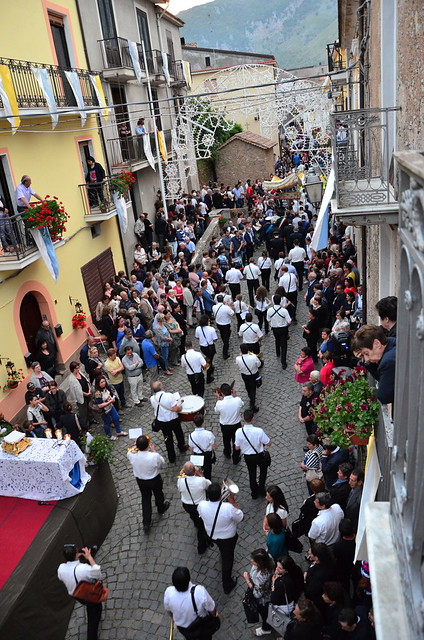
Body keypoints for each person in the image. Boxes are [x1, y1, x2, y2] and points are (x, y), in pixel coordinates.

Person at [198, 482, 243, 594]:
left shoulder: (201, 505)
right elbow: (241, 517)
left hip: (212, 535)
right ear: (220, 495)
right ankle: (227, 584)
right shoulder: (229, 508)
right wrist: (233, 502)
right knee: (227, 560)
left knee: (222, 550)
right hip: (228, 538)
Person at [57, 545, 103, 640]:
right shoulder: (83, 568)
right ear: (77, 555)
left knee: (92, 608)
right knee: (93, 614)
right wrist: (89, 557)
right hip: (88, 594)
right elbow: (98, 574)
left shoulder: (61, 568)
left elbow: (61, 577)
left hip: (76, 594)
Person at [164, 567, 218, 640]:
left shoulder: (168, 592)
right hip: (201, 626)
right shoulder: (199, 592)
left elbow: (169, 611)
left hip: (184, 629)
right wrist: (216, 617)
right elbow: (212, 610)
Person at [352, 324, 396, 404]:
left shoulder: (388, 362)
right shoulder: (392, 342)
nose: (367, 359)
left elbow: (383, 396)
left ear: (377, 344)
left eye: (366, 353)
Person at [235, 409, 271, 498]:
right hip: (259, 455)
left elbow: (237, 447)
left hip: (248, 456)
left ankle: (254, 493)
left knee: (252, 473)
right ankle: (262, 489)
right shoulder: (258, 431)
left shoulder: (239, 432)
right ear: (253, 419)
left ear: (243, 418)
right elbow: (269, 443)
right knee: (263, 471)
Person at [177, 461, 211, 553]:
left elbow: (179, 489)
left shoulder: (180, 480)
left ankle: (196, 522)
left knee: (193, 516)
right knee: (201, 528)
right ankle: (201, 546)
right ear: (194, 471)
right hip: (199, 506)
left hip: (187, 505)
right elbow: (209, 485)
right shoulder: (201, 480)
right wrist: (200, 473)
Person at [150, 381, 188, 463]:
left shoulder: (152, 398)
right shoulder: (169, 396)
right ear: (161, 388)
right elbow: (175, 409)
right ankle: (181, 447)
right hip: (173, 420)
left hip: (162, 422)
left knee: (167, 439)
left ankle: (171, 457)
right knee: (179, 434)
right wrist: (180, 406)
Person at [242, 548, 274, 636]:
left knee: (265, 615)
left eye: (254, 560)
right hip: (269, 590)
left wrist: (248, 581)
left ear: (260, 563)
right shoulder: (269, 558)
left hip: (264, 599)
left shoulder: (261, 576)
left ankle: (266, 628)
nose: (251, 560)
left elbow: (257, 594)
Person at [214, 383, 244, 464]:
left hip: (225, 426)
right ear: (231, 391)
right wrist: (235, 395)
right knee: (236, 441)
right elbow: (242, 404)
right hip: (236, 425)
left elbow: (216, 410)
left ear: (222, 393)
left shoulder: (220, 403)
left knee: (226, 440)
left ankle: (227, 452)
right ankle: (236, 458)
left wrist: (218, 398)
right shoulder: (237, 400)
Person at [304, 543, 337, 613]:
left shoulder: (319, 574)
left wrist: (304, 579)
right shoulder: (329, 559)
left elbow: (311, 590)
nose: (309, 553)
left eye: (311, 554)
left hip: (318, 598)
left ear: (316, 557)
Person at [93, 376, 127, 440]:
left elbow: (109, 395)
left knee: (116, 417)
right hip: (105, 410)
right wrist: (109, 402)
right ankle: (109, 436)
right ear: (98, 384)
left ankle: (118, 432)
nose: (103, 383)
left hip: (110, 406)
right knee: (107, 422)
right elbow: (100, 405)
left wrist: (112, 399)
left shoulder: (106, 388)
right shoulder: (98, 393)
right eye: (101, 382)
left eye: (104, 381)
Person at [188, 413, 216, 481]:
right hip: (207, 454)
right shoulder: (209, 433)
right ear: (203, 422)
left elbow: (191, 448)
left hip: (197, 454)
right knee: (208, 469)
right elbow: (214, 447)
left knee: (197, 469)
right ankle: (208, 481)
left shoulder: (191, 435)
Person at [267, 294, 291, 369]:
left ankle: (278, 352)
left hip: (274, 328)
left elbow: (268, 320)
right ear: (280, 301)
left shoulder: (269, 310)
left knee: (277, 340)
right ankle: (283, 362)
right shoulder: (284, 310)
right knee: (284, 345)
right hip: (283, 329)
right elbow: (289, 321)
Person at [236, 343, 261, 412]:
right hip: (253, 375)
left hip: (244, 375)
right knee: (253, 389)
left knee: (247, 386)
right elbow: (259, 364)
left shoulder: (238, 359)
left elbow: (238, 364)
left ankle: (250, 396)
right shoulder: (253, 357)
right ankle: (252, 405)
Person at [195, 315, 218, 384]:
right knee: (209, 361)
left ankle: (210, 367)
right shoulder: (211, 329)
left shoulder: (198, 328)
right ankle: (208, 377)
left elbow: (197, 337)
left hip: (203, 347)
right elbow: (215, 339)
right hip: (210, 347)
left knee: (208, 359)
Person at [212, 294, 234, 360]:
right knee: (226, 338)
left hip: (219, 324)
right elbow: (232, 313)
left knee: (222, 335)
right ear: (223, 300)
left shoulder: (214, 307)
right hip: (226, 324)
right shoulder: (226, 308)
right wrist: (229, 305)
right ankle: (225, 352)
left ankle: (224, 342)